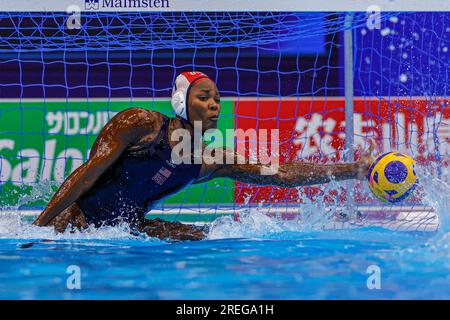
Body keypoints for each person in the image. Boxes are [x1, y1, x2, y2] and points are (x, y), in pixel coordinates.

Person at [34, 71, 373, 241]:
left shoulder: (211, 160)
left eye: (217, 99)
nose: (214, 104)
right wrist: (39, 228)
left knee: (201, 238)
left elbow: (281, 174)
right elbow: (87, 174)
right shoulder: (140, 124)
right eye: (204, 97)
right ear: (182, 101)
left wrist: (355, 169)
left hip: (128, 230)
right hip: (74, 223)